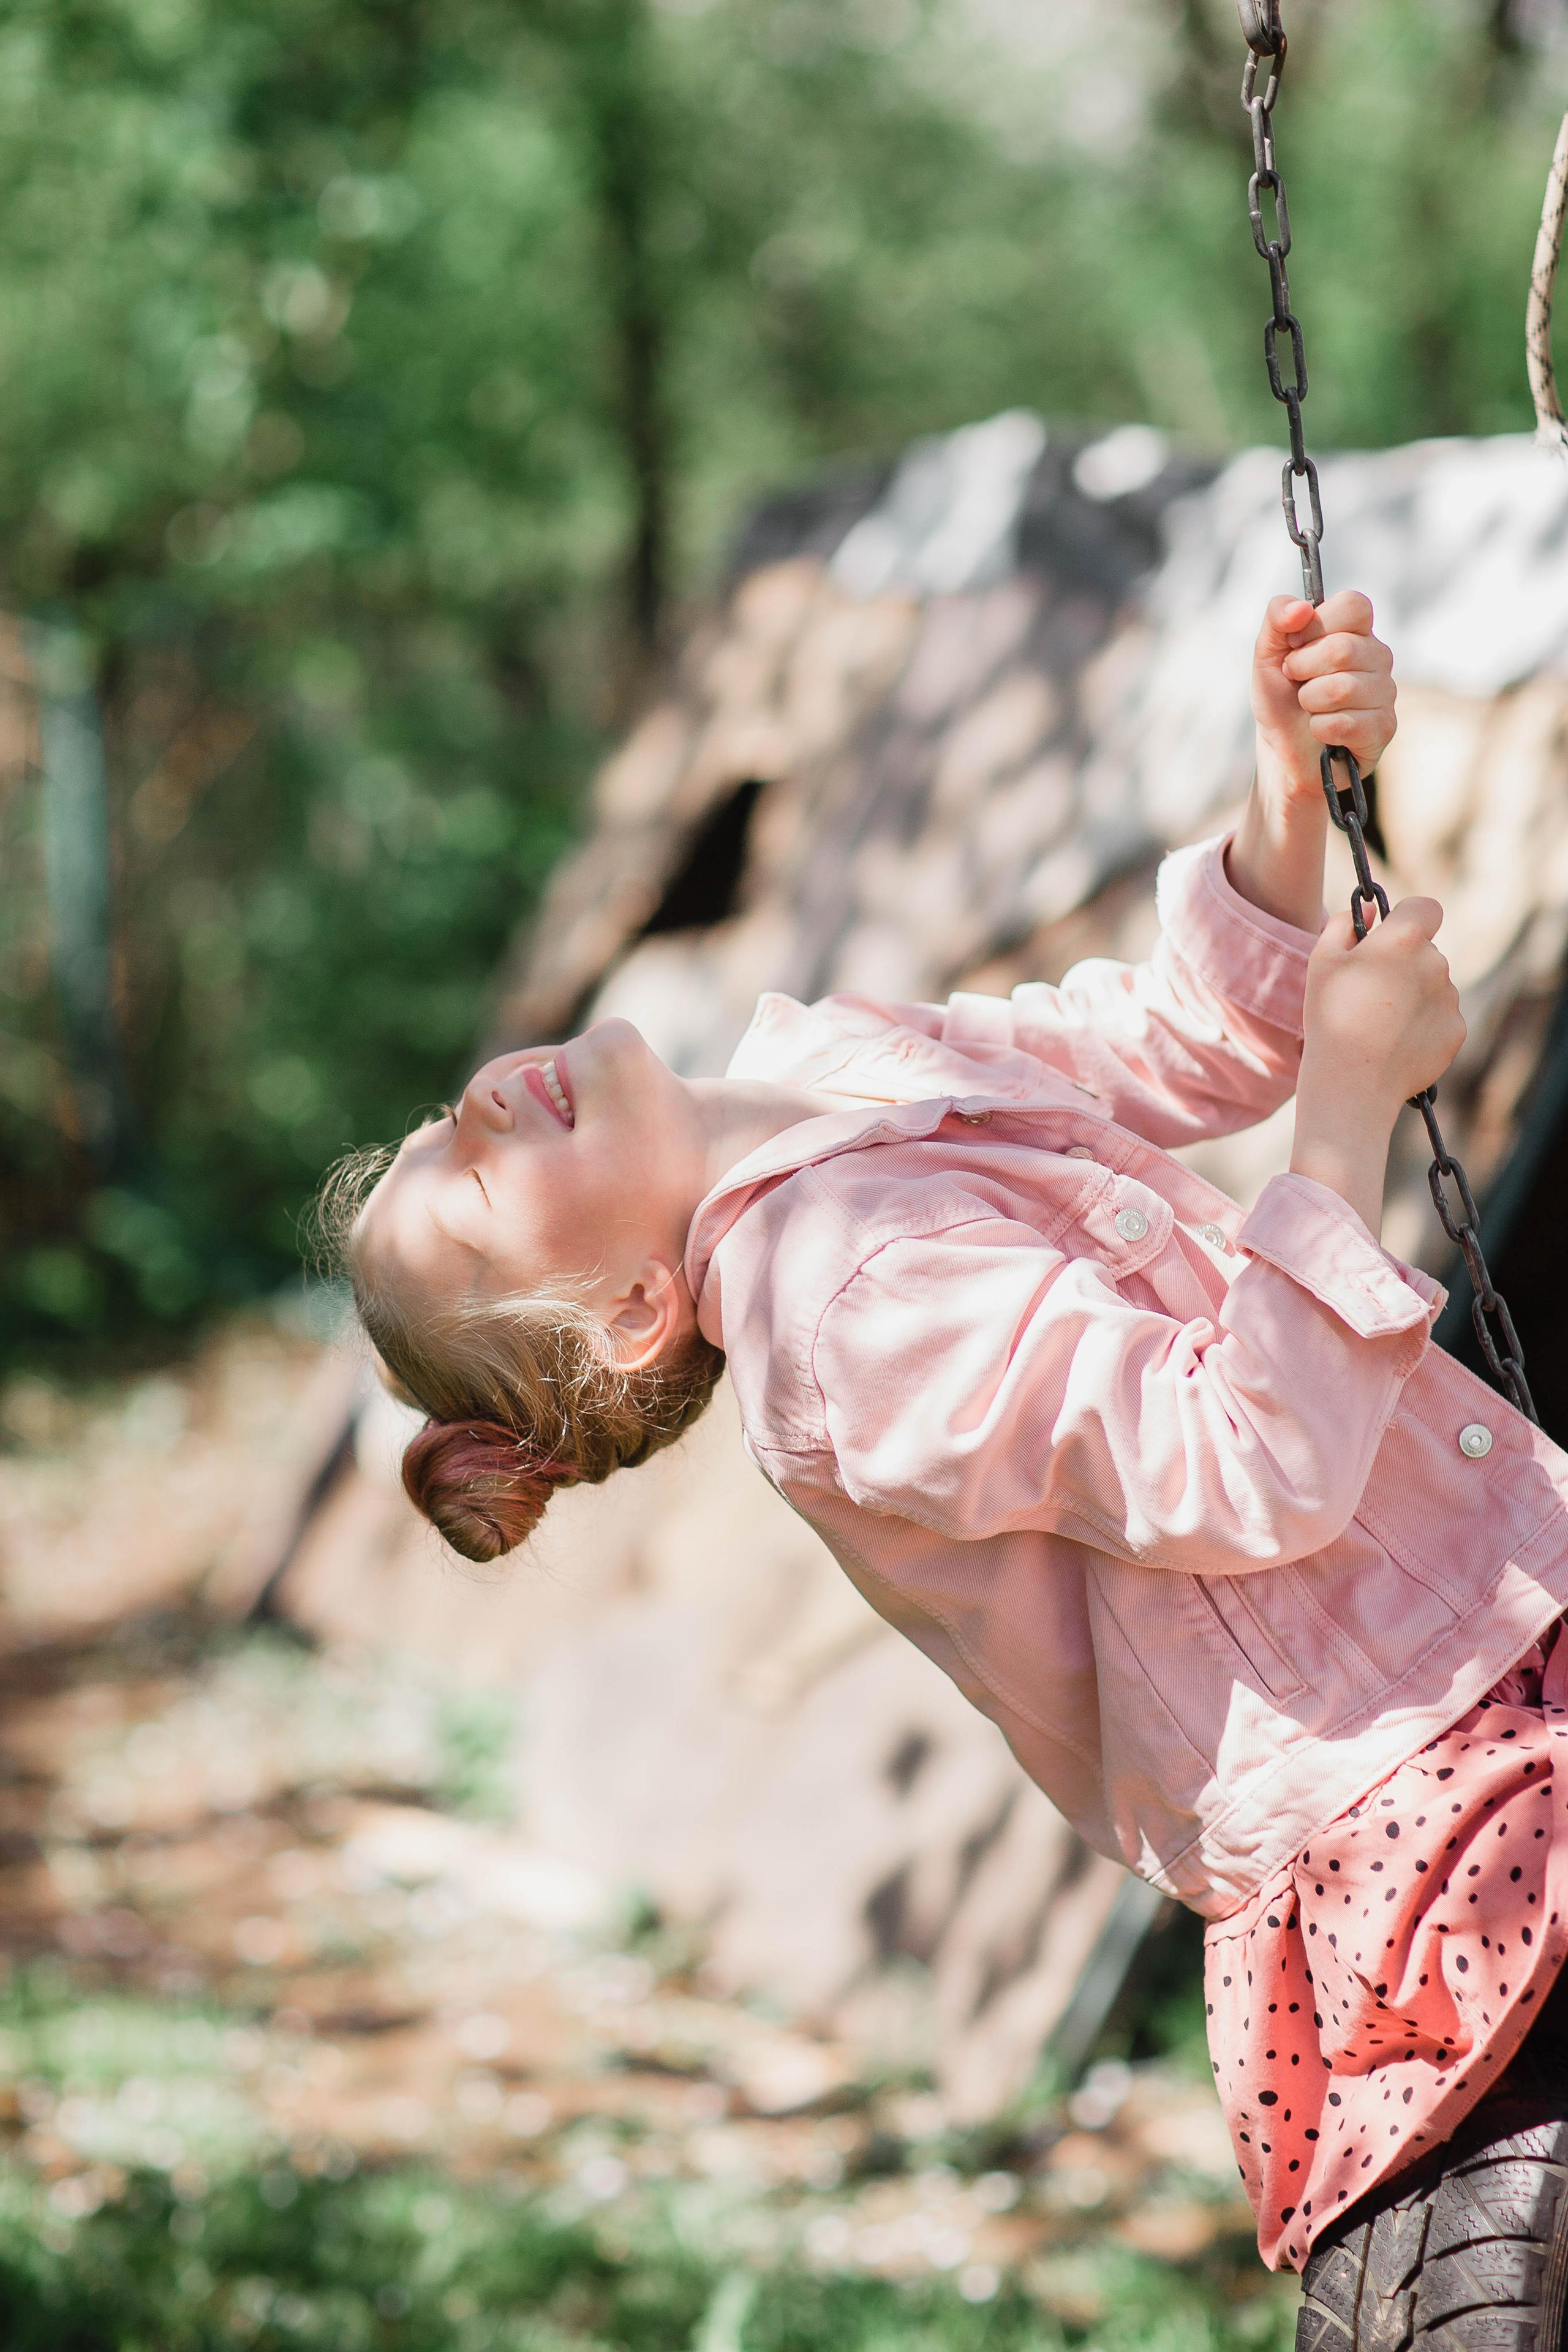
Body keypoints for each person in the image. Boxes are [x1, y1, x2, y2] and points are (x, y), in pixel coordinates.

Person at [320, 591, 1568, 2342]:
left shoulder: (828, 1065)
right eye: (464, 1199)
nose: (472, 1116)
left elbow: (1174, 1045)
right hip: (1394, 1772)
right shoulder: (844, 1323)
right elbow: (1243, 1460)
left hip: (1495, 1618)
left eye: (430, 1130)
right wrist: (1348, 1111)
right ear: (622, 1317)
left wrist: (1288, 798)